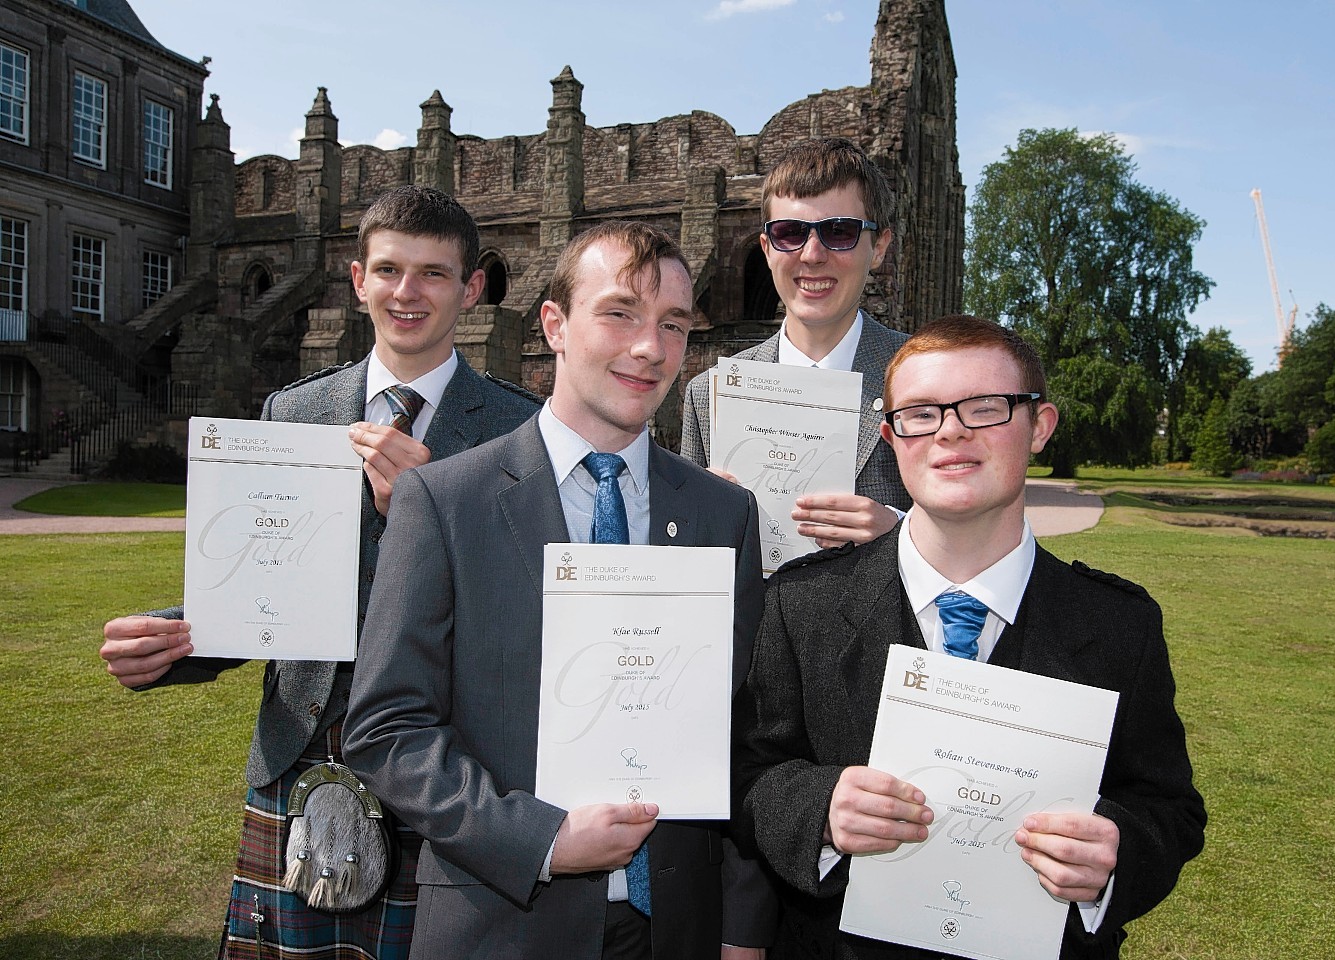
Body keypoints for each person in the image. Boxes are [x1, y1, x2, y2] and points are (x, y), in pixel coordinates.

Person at [98, 185, 540, 960]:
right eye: (390, 270)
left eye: (434, 274)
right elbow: (271, 588)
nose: (408, 293)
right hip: (303, 750)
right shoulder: (294, 412)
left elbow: (532, 612)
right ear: (357, 279)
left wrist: (432, 511)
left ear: (472, 288)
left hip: (448, 763)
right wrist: (174, 640)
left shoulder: (520, 428)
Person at [342, 221, 775, 960]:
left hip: (676, 927)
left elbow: (746, 733)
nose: (651, 348)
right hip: (501, 921)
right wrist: (541, 839)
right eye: (620, 314)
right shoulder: (445, 502)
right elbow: (386, 729)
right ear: (555, 325)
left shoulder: (723, 513)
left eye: (673, 323)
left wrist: (742, 928)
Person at [732, 315, 1206, 959]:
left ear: (1040, 426)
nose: (951, 430)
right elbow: (750, 772)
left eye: (985, 408)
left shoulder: (1119, 625)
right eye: (922, 413)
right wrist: (819, 809)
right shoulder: (801, 604)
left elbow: (1167, 807)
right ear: (891, 438)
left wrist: (1114, 856)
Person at [680, 136, 911, 549]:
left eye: (839, 231)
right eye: (790, 233)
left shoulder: (922, 379)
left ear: (879, 247)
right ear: (767, 249)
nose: (812, 254)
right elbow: (690, 566)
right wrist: (696, 519)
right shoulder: (708, 396)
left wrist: (900, 530)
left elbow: (980, 530)